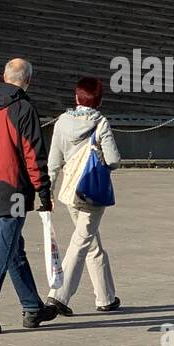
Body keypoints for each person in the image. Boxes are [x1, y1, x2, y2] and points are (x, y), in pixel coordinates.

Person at [0, 57, 55, 334]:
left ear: (4, 76)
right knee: (1, 254)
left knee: (13, 249)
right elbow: (33, 154)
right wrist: (43, 191)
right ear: (28, 80)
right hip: (14, 189)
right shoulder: (24, 109)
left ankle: (33, 308)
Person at [46, 75, 121, 315]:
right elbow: (113, 160)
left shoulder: (61, 122)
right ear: (98, 101)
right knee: (81, 241)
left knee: (91, 242)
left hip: (69, 191)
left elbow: (53, 162)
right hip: (91, 192)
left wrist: (47, 192)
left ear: (76, 97)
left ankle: (106, 297)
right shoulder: (101, 123)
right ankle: (59, 296)